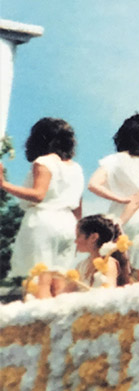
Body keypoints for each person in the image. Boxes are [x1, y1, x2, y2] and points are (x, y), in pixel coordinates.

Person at [1, 117, 84, 279]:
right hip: (69, 225)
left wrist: (4, 184)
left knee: (37, 278)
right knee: (59, 279)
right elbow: (78, 206)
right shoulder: (76, 168)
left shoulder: (44, 162)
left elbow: (38, 195)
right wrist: (78, 232)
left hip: (43, 221)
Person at [87, 113, 139, 268]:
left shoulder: (113, 160)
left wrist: (120, 199)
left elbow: (93, 184)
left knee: (122, 268)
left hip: (122, 216)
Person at [36, 214, 132, 298]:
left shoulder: (109, 263)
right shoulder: (82, 265)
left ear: (93, 237)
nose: (75, 241)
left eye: (78, 236)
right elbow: (64, 293)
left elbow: (108, 293)